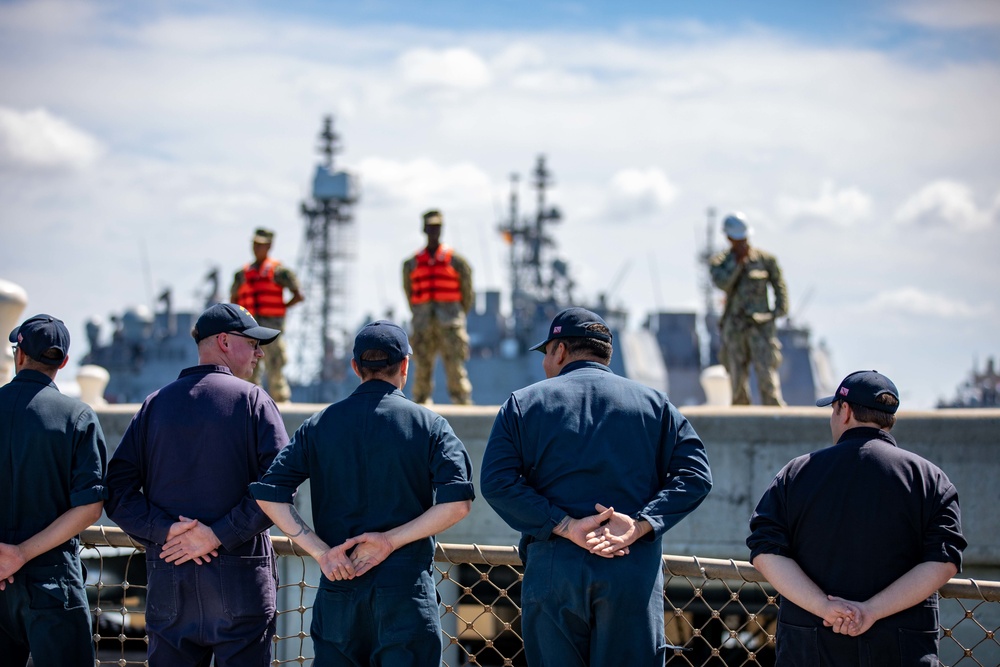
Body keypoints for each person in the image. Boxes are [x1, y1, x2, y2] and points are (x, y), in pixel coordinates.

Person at [480, 307, 713, 667]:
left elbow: (497, 482)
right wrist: (641, 525)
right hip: (630, 570)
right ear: (606, 353)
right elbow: (696, 474)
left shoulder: (523, 404)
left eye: (547, 354)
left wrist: (565, 525)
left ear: (559, 351)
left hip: (554, 569)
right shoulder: (656, 405)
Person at [251, 320, 474, 666]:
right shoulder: (430, 425)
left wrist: (322, 553)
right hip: (404, 589)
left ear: (355, 367)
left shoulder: (318, 425)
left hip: (340, 584)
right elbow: (457, 503)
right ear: (404, 365)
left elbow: (269, 495)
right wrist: (389, 541)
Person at [105, 303, 289, 666]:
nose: (259, 352)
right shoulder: (254, 401)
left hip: (170, 580)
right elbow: (280, 485)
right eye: (251, 342)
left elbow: (116, 490)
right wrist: (219, 534)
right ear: (223, 341)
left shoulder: (154, 405)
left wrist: (165, 531)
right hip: (240, 580)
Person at [748, 370, 966, 666]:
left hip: (810, 647)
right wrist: (870, 611)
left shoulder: (796, 474)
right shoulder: (930, 479)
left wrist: (825, 608)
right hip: (902, 649)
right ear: (889, 419)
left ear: (845, 411)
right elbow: (944, 559)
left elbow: (765, 549)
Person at [1, 314, 108, 667]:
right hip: (53, 581)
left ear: (19, 356)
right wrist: (20, 553)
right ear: (63, 362)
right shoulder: (77, 417)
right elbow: (90, 507)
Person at [709, 212, 788, 406]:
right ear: (728, 238)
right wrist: (738, 264)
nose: (741, 242)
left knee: (766, 373)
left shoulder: (766, 260)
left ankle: (775, 413)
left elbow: (779, 285)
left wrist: (778, 310)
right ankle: (740, 413)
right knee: (737, 376)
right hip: (735, 328)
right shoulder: (720, 263)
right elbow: (723, 283)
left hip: (761, 327)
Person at [402, 209, 474, 404]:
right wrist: (421, 314)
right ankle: (420, 401)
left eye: (437, 227)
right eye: (430, 227)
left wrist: (454, 314)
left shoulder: (457, 262)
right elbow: (409, 293)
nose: (434, 231)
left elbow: (467, 295)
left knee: (455, 366)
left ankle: (461, 400)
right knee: (422, 366)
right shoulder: (412, 264)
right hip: (423, 323)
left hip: (450, 323)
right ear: (424, 229)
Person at [231, 227, 304, 402]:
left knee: (276, 364)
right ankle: (248, 400)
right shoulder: (242, 274)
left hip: (271, 328)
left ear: (269, 246)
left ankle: (280, 401)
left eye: (261, 245)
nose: (257, 248)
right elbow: (234, 299)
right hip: (249, 329)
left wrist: (281, 307)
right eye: (255, 244)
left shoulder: (279, 272)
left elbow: (298, 294)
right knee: (248, 366)